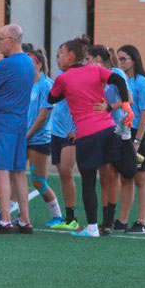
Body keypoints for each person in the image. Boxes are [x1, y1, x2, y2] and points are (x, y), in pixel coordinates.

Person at [48, 36, 134, 238]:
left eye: (60, 54)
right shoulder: (95, 69)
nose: (58, 58)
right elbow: (119, 80)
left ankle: (93, 227)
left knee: (88, 180)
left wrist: (67, 91)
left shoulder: (63, 78)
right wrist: (125, 105)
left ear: (70, 56)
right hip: (109, 129)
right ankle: (108, 222)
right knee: (119, 172)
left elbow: (51, 98)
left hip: (87, 135)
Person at [0, 24, 34, 234]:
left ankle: (5, 219)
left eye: (0, 38)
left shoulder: (6, 64)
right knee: (19, 172)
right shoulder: (29, 62)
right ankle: (25, 220)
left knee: (2, 170)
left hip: (4, 120)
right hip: (21, 121)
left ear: (11, 40)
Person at [86, 45, 129, 235]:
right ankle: (104, 220)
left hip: (114, 129)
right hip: (97, 128)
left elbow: (130, 100)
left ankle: (110, 220)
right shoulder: (90, 76)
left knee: (113, 173)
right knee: (102, 175)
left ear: (98, 59)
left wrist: (109, 107)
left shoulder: (116, 74)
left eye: (88, 58)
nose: (86, 62)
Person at [115, 44, 145, 234]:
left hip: (139, 134)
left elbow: (144, 114)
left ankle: (141, 222)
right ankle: (122, 221)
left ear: (134, 60)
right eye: (118, 59)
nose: (120, 62)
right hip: (125, 132)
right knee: (126, 177)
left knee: (141, 177)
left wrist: (137, 142)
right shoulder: (123, 81)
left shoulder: (142, 83)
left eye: (124, 59)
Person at [25, 49, 63, 226]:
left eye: (29, 63)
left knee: (38, 179)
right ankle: (9, 215)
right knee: (13, 175)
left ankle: (57, 215)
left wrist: (28, 134)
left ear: (39, 65)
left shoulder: (46, 85)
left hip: (39, 139)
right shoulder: (26, 83)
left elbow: (42, 116)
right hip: (24, 137)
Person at [48, 61, 80, 231]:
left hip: (70, 132)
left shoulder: (77, 75)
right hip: (57, 132)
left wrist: (77, 129)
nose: (58, 58)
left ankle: (73, 217)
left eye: (62, 53)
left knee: (67, 171)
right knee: (62, 173)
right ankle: (68, 216)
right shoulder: (60, 75)